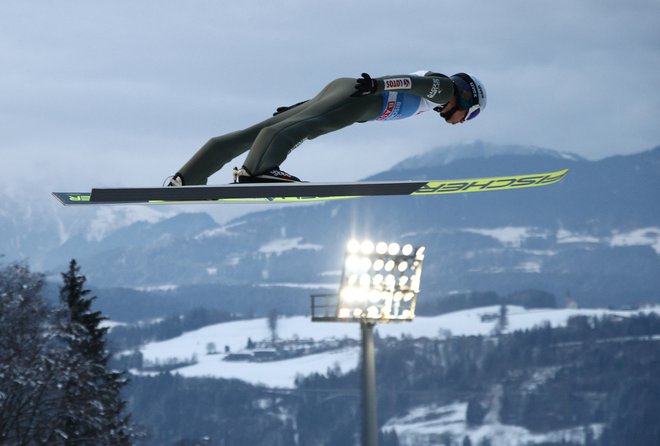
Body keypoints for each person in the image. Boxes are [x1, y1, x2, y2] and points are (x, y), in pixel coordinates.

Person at [166, 71, 486, 186]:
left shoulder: (438, 94)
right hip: (364, 98)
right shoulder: (445, 89)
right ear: (466, 98)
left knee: (265, 128)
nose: (461, 123)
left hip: (349, 90)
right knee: (311, 126)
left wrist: (298, 106)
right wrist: (377, 84)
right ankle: (257, 171)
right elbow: (410, 82)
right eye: (469, 116)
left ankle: (189, 176)